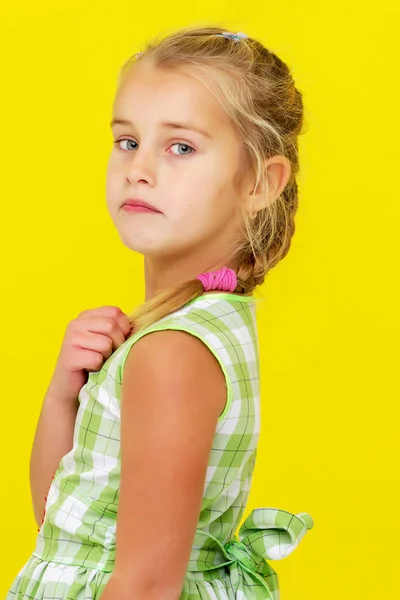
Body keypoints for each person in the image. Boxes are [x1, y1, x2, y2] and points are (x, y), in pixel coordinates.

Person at [7, 25, 314, 600]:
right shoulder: (191, 326)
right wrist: (63, 395)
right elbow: (59, 527)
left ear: (260, 182)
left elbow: (147, 585)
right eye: (127, 141)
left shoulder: (173, 352)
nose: (138, 168)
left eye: (181, 147)